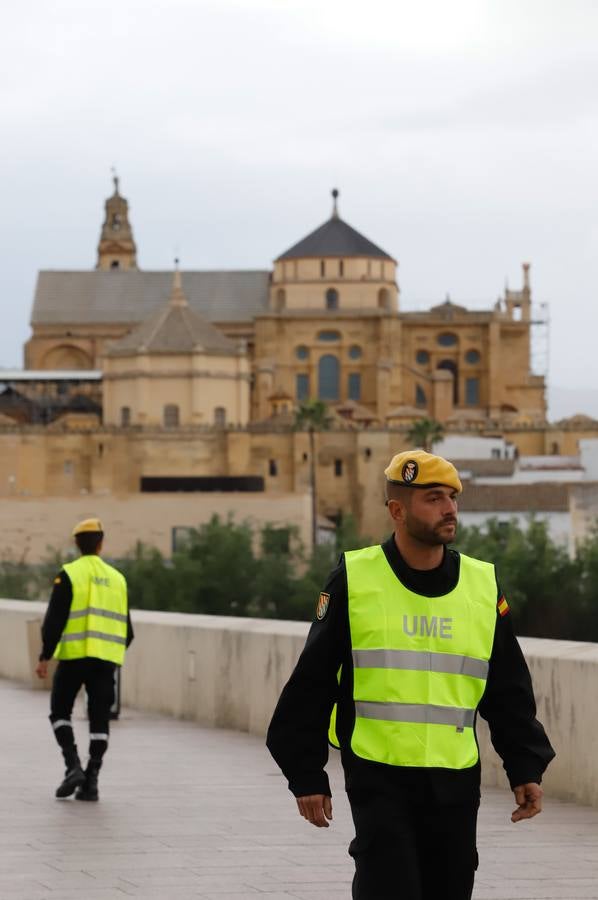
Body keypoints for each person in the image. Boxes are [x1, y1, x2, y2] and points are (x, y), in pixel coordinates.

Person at [267, 450, 555, 900]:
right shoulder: (356, 578)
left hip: (455, 778)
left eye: (453, 498)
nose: (449, 509)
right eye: (434, 499)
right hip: (379, 776)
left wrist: (525, 764)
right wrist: (306, 773)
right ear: (397, 511)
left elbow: (508, 686)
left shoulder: (481, 585)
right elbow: (313, 680)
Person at [35, 518, 133, 801]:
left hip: (74, 658)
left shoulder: (68, 574)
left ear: (77, 544)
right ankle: (91, 780)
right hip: (105, 661)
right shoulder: (118, 579)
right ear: (101, 543)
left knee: (59, 711)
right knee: (99, 720)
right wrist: (113, 653)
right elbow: (128, 630)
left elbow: (54, 620)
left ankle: (72, 765)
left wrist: (45, 656)